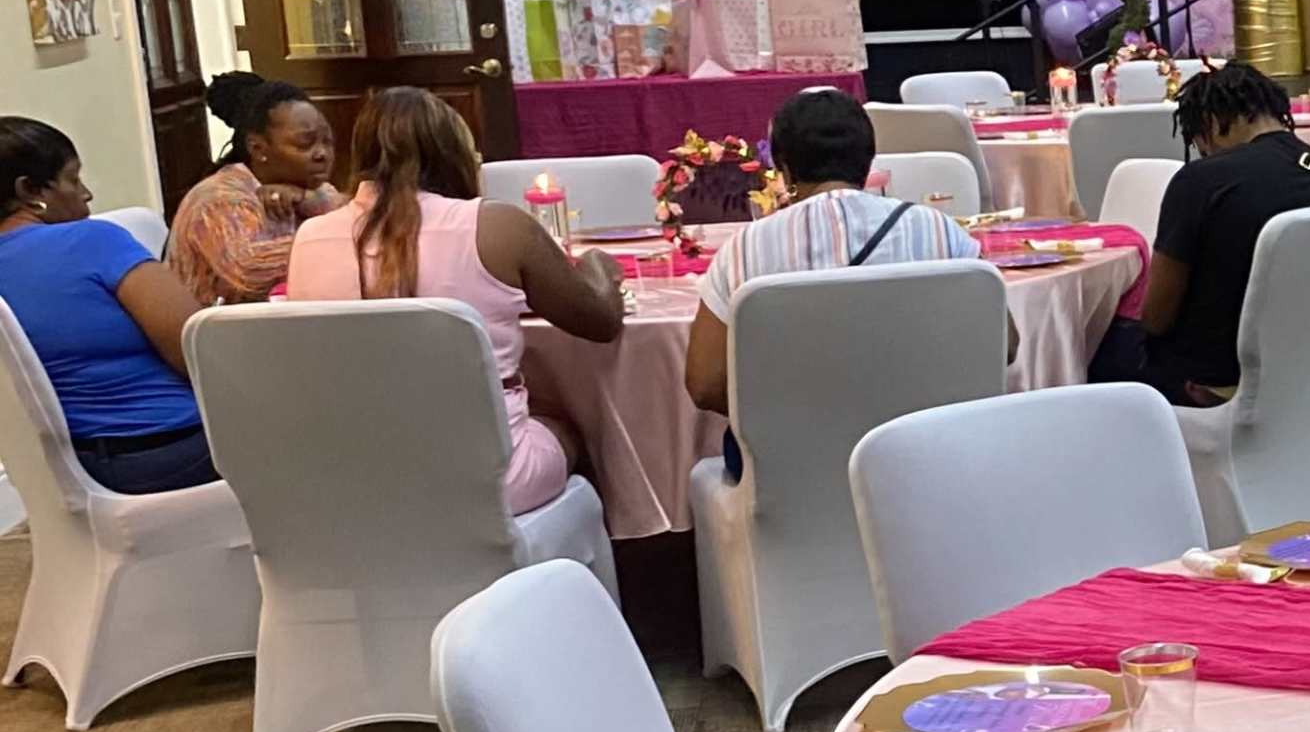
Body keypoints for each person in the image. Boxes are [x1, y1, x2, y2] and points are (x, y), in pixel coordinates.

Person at [287, 88, 624, 515]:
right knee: (574, 425)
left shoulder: (310, 237)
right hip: (488, 482)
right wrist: (599, 266)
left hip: (357, 479)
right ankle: (586, 550)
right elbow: (600, 322)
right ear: (454, 152)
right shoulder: (495, 226)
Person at [686, 88, 992, 475]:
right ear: (869, 158)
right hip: (925, 452)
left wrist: (797, 414)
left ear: (783, 168)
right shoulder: (939, 231)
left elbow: (705, 384)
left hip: (789, 466)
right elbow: (1003, 344)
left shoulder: (744, 249)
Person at [0, 118, 220, 493]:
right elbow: (200, 353)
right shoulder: (93, 242)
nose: (86, 194)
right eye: (72, 179)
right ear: (30, 190)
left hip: (67, 472)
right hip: (174, 451)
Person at [1136, 62, 1310, 404]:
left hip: (1215, 378)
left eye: (1198, 141)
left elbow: (1156, 318)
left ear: (1210, 124)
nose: (1203, 152)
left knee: (1096, 345)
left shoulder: (1201, 182)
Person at [170, 73, 344, 304]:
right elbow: (249, 274)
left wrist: (306, 200)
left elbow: (355, 217)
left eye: (328, 142)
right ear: (258, 148)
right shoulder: (218, 200)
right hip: (215, 324)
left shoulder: (312, 189)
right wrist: (337, 240)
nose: (322, 154)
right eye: (305, 143)